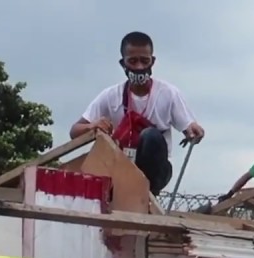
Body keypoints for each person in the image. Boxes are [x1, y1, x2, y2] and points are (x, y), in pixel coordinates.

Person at [70, 31, 204, 196]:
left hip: (155, 172)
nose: (139, 67)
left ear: (152, 61)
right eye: (133, 61)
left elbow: (189, 127)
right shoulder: (110, 96)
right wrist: (92, 126)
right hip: (120, 169)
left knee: (150, 136)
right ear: (123, 63)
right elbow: (74, 131)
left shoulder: (169, 94)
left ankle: (146, 194)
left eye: (144, 61)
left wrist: (193, 130)